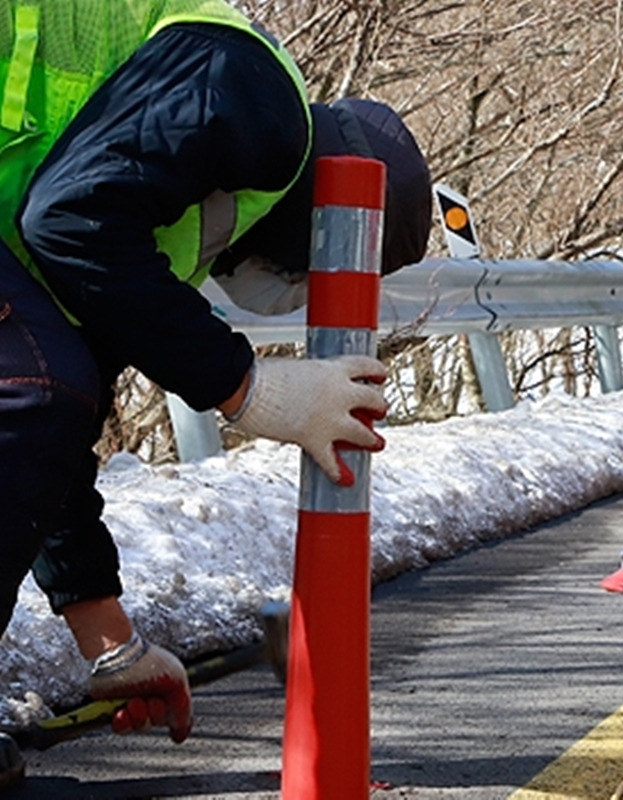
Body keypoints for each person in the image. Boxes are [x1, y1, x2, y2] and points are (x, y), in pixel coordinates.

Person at [0, 1, 432, 787]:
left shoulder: (149, 218)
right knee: (37, 387)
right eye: (310, 274)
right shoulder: (254, 91)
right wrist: (247, 388)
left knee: (44, 385)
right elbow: (66, 221)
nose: (294, 294)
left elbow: (53, 438)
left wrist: (110, 644)